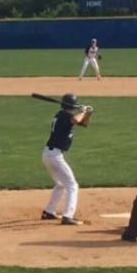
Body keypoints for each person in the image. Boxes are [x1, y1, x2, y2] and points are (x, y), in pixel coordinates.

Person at [40, 93, 93, 225]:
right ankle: (67, 216)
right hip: (55, 156)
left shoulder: (63, 115)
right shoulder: (65, 116)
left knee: (60, 184)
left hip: (49, 154)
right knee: (72, 185)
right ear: (72, 106)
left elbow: (83, 123)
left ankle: (49, 212)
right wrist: (82, 110)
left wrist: (88, 113)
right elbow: (76, 120)